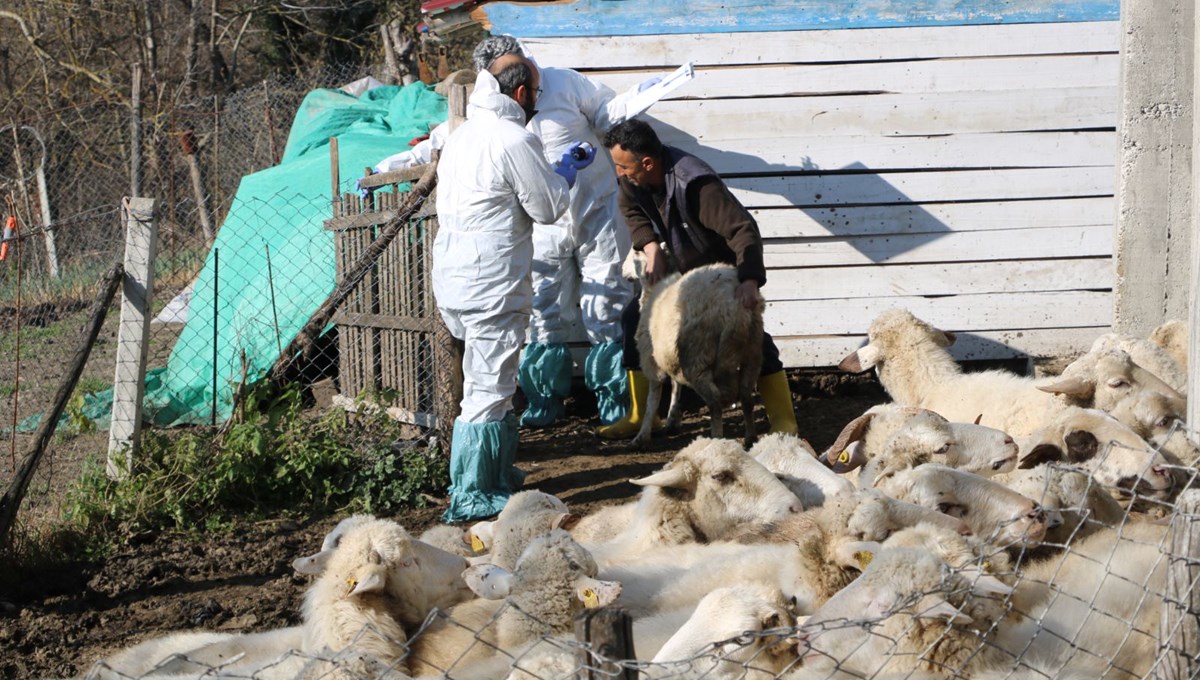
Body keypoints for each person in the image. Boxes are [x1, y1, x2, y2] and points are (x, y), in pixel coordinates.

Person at [469, 36, 683, 429]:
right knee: (543, 311)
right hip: (542, 224)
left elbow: (606, 115)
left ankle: (618, 405)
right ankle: (544, 403)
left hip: (597, 212)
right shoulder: (494, 115)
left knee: (607, 305)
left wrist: (640, 96)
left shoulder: (564, 83)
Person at [432, 53, 595, 522]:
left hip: (457, 277)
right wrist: (564, 171)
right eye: (536, 95)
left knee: (491, 381)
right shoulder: (513, 139)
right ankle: (473, 493)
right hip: (493, 282)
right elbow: (545, 209)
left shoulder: (463, 137)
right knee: (486, 388)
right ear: (521, 94)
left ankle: (497, 475)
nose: (536, 103)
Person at [598, 118, 799, 438]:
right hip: (679, 269)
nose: (619, 173)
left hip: (717, 274)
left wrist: (748, 280)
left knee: (752, 336)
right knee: (634, 319)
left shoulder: (696, 184)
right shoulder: (632, 179)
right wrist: (650, 247)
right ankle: (641, 416)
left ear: (647, 162)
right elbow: (631, 209)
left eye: (623, 167)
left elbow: (742, 229)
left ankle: (784, 421)